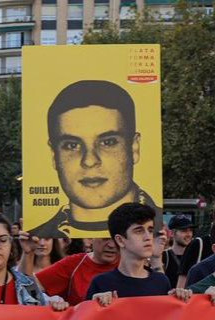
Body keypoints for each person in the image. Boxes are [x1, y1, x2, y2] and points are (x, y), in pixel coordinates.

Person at [30, 80, 160, 238]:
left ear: (134, 148)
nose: (89, 161)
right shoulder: (37, 237)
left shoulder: (161, 233)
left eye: (108, 142)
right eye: (72, 145)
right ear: (53, 155)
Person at [87, 203, 192, 307]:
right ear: (120, 240)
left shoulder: (161, 281)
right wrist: (94, 305)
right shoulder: (101, 283)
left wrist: (182, 301)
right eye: (139, 231)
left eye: (150, 230)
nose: (148, 237)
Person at [25, 236, 119, 305]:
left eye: (115, 238)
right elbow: (27, 288)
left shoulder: (131, 264)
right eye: (105, 238)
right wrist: (50, 302)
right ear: (91, 238)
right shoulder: (74, 263)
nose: (111, 245)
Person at [162, 214, 203, 287]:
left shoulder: (197, 256)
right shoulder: (164, 256)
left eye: (190, 230)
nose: (189, 234)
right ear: (171, 233)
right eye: (184, 231)